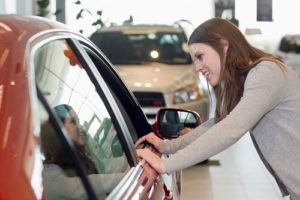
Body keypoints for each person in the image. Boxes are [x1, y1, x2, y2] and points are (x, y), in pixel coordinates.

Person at [136, 18, 300, 200]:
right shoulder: (254, 77)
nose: (197, 67)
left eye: (200, 56)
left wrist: (166, 165)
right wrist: (168, 146)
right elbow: (220, 123)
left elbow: (231, 129)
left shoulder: (266, 73)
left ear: (224, 46)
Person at [41, 104, 126, 200]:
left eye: (78, 121)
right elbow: (80, 187)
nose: (80, 126)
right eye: (73, 122)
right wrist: (125, 178)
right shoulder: (48, 174)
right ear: (57, 131)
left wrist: (135, 156)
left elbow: (104, 165)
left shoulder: (77, 160)